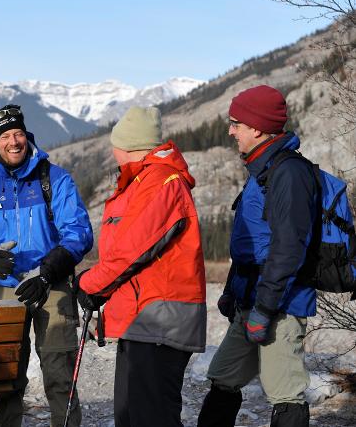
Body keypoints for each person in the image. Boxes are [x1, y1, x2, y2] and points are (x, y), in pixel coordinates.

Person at [0, 104, 93, 427]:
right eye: (4, 136)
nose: (13, 141)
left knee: (59, 373)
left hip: (52, 286)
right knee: (8, 376)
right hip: (6, 290)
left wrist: (46, 272)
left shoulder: (54, 179)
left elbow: (79, 233)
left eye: (17, 133)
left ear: (27, 136)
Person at [74, 106, 207, 427]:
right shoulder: (145, 181)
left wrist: (90, 285)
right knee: (130, 417)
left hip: (160, 322)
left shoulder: (161, 183)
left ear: (129, 146)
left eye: (115, 146)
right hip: (145, 321)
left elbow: (131, 251)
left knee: (150, 418)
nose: (112, 153)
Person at [197, 85, 316, 427]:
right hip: (253, 298)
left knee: (284, 393)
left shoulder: (289, 173)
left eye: (236, 123)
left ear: (258, 128)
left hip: (281, 302)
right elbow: (254, 243)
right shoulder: (261, 170)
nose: (230, 130)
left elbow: (289, 248)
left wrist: (264, 308)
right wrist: (233, 291)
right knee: (223, 377)